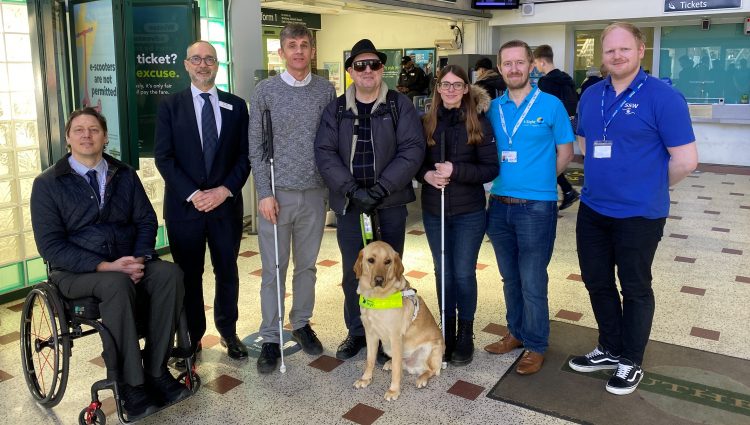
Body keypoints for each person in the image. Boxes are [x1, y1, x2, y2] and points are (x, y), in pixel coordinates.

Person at [30, 108, 189, 420]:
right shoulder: (48, 184)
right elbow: (51, 246)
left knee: (170, 274)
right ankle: (131, 382)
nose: (87, 135)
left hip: (129, 260)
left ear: (104, 137)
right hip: (76, 272)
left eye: (94, 130)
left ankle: (157, 371)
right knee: (116, 284)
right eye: (79, 130)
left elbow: (146, 220)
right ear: (68, 138)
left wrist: (140, 258)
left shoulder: (125, 174)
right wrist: (105, 266)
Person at [570, 22, 698, 396]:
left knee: (635, 287)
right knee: (596, 281)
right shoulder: (592, 95)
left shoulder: (663, 97)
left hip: (640, 214)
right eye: (610, 51)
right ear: (602, 57)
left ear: (641, 51)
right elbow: (585, 141)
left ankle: (631, 360)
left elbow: (686, 160)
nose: (617, 56)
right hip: (594, 209)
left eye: (625, 49)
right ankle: (609, 348)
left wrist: (649, 187)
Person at [315, 39, 425, 360]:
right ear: (350, 71)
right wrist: (351, 190)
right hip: (351, 206)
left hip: (389, 204)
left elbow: (412, 149)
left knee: (390, 273)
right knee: (357, 272)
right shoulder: (335, 109)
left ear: (381, 69)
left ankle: (390, 335)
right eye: (360, 65)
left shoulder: (398, 105)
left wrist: (381, 189)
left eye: (373, 65)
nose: (367, 71)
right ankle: (358, 332)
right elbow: (324, 153)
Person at [248, 23, 336, 374]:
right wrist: (264, 194)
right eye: (291, 45)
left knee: (307, 267)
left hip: (314, 194)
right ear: (281, 52)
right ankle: (271, 336)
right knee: (273, 269)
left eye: (304, 45)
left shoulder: (326, 91)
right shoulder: (265, 91)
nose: (298, 51)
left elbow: (332, 144)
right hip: (277, 194)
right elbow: (255, 147)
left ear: (312, 51)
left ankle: (301, 322)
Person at [154, 40, 251, 361]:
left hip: (225, 207)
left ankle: (228, 331)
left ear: (217, 65)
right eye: (196, 59)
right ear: (186, 64)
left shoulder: (236, 106)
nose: (203, 64)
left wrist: (224, 191)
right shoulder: (170, 105)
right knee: (188, 275)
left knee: (227, 271)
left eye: (209, 59)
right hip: (185, 209)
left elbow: (244, 157)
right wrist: (195, 194)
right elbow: (164, 158)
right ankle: (191, 338)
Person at [483, 40, 574, 375]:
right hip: (500, 205)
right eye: (507, 64)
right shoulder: (494, 108)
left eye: (520, 62)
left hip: (537, 207)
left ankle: (536, 344)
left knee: (532, 278)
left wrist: (541, 181)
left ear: (532, 64)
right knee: (509, 277)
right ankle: (516, 333)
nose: (514, 69)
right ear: (500, 67)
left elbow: (567, 151)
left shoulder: (551, 105)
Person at [416, 65, 498, 366]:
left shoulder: (479, 122)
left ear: (466, 89)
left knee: (463, 273)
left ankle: (465, 334)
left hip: (469, 212)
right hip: (434, 210)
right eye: (445, 84)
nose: (450, 90)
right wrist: (426, 175)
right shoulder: (425, 122)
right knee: (443, 272)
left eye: (457, 85)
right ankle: (446, 330)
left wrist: (456, 171)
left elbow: (491, 168)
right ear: (438, 88)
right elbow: (414, 161)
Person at [532, 44, 580, 211]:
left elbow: (543, 108)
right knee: (556, 158)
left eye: (536, 63)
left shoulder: (545, 82)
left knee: (547, 160)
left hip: (550, 127)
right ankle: (567, 191)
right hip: (567, 125)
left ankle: (562, 191)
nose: (536, 67)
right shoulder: (566, 78)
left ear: (542, 62)